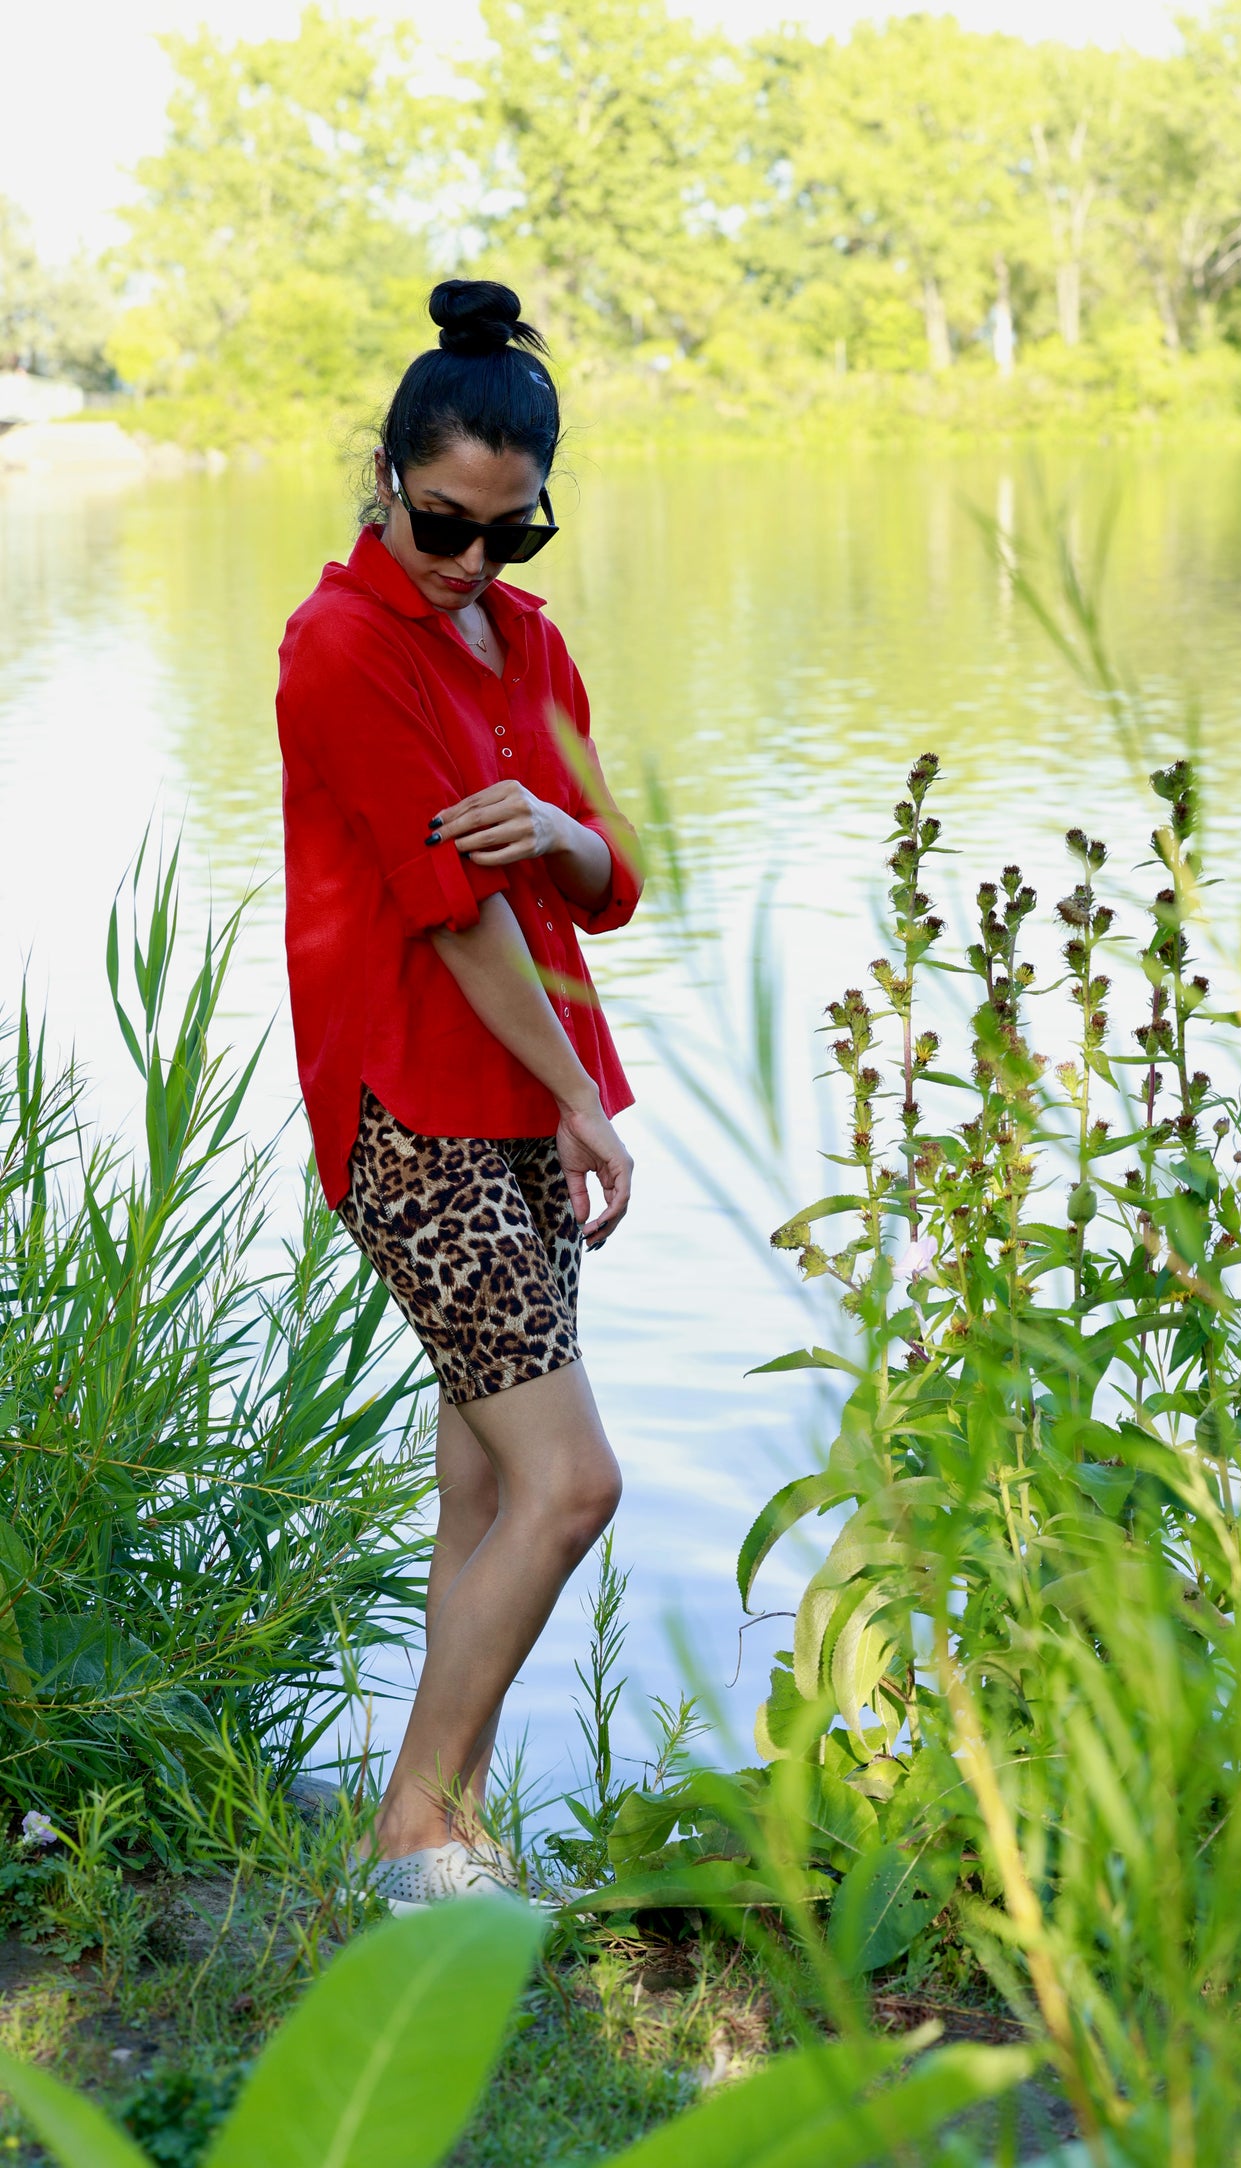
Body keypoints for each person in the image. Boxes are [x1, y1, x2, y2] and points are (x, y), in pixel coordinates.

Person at [276, 279, 640, 1908]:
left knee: (486, 1485)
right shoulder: (341, 645)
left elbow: (601, 868)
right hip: (416, 1110)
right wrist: (584, 1098)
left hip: (521, 1100)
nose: (473, 565)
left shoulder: (529, 643)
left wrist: (553, 829)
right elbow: (463, 918)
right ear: (387, 476)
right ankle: (412, 1829)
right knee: (572, 1485)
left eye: (510, 533)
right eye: (443, 523)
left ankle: (452, 1840)